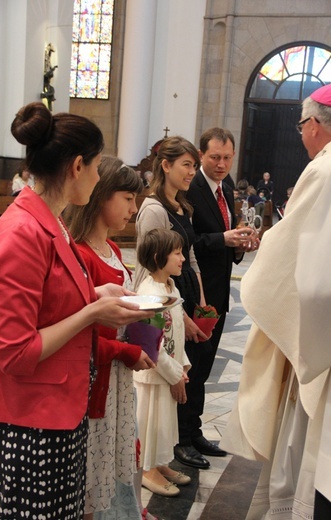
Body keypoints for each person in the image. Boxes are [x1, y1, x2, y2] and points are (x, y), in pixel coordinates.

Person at [0, 101, 154, 519]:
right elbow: (14, 352)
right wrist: (92, 312)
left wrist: (95, 293)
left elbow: (51, 301)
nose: (100, 178)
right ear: (77, 166)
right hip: (30, 424)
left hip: (62, 408)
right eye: (99, 167)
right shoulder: (23, 231)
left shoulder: (53, 221)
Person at [221, 82, 331, 519]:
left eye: (301, 125)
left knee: (310, 440)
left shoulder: (328, 168)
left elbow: (293, 260)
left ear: (313, 125)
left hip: (326, 339)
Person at [66, 156, 157, 520]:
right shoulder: (82, 255)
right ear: (101, 196)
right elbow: (79, 337)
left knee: (118, 459)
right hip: (96, 383)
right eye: (127, 199)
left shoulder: (115, 250)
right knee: (93, 471)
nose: (134, 209)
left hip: (118, 381)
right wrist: (126, 351)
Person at [134, 135, 211, 470]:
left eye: (194, 166)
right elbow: (150, 263)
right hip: (165, 301)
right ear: (165, 166)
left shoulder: (182, 206)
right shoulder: (153, 209)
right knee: (169, 378)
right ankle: (164, 454)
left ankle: (180, 441)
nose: (192, 172)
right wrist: (182, 314)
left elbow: (189, 257)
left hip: (184, 297)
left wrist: (202, 302)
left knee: (186, 374)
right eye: (186, 165)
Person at [185, 127, 259, 465]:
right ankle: (180, 439)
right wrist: (224, 239)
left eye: (227, 157)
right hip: (196, 294)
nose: (222, 164)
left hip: (219, 293)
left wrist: (240, 244)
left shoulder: (225, 189)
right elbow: (187, 243)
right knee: (190, 366)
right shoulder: (192, 188)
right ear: (202, 155)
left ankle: (194, 432)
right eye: (215, 157)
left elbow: (222, 240)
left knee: (204, 369)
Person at [134, 228, 192, 497]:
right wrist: (174, 374)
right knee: (151, 422)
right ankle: (146, 470)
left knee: (165, 423)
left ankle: (158, 463)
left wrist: (183, 367)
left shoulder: (170, 285)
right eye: (177, 253)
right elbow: (152, 345)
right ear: (158, 256)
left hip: (170, 371)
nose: (183, 259)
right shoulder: (149, 293)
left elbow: (175, 331)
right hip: (155, 373)